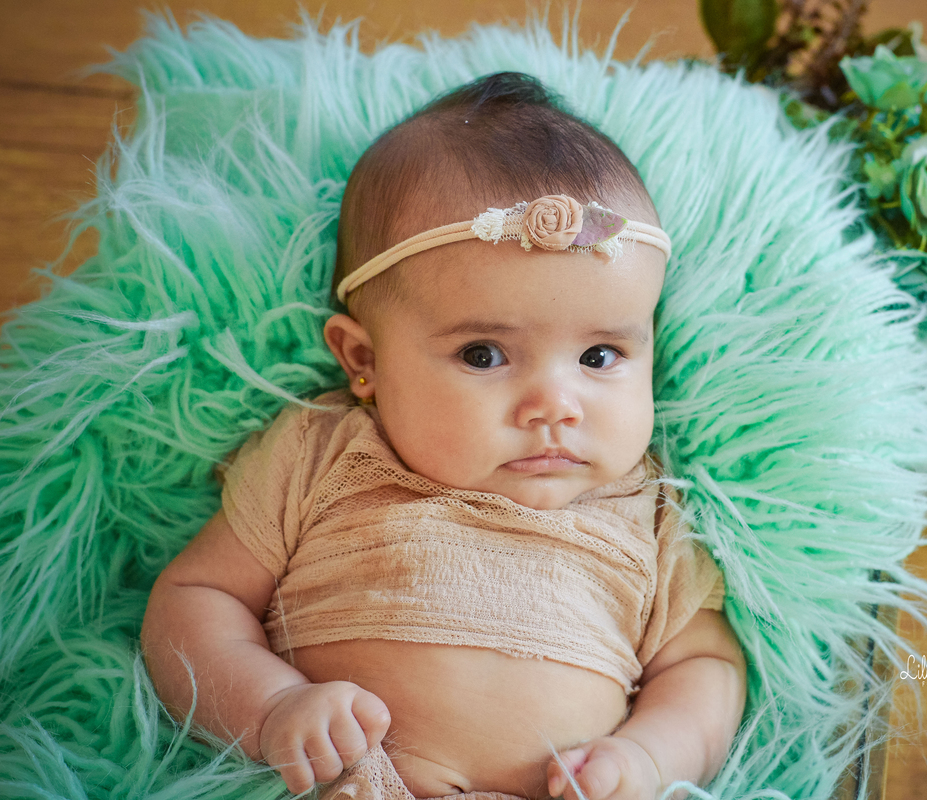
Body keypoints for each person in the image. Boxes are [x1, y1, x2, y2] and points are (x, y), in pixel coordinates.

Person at [141, 72, 747, 800]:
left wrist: (646, 758)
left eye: (598, 356)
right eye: (483, 355)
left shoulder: (647, 508)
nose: (555, 406)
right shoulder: (322, 452)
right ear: (364, 360)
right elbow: (196, 597)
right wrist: (271, 707)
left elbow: (704, 669)